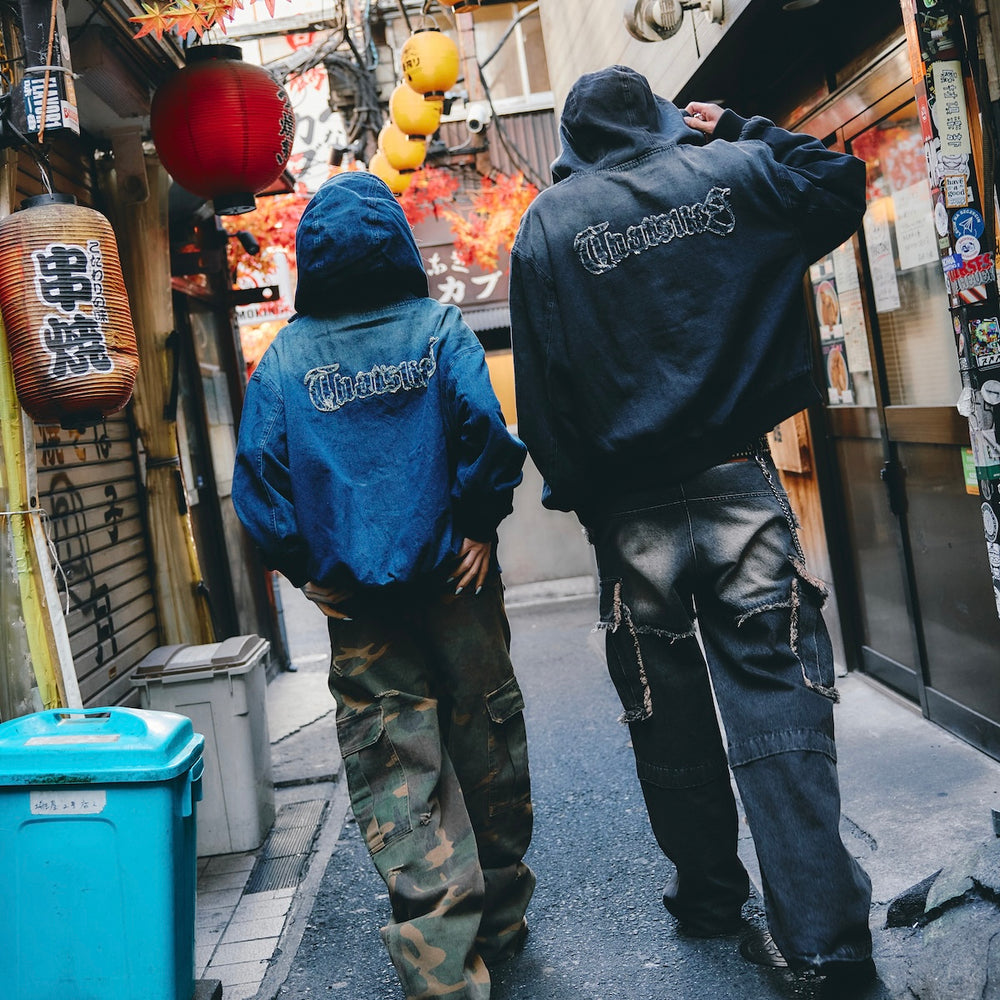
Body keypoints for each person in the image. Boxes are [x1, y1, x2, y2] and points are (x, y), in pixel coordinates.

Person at [508, 65, 876, 998]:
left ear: (574, 143)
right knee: (778, 697)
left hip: (629, 508)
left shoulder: (550, 226)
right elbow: (839, 185)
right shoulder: (736, 170)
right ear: (669, 121)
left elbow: (543, 393)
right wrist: (743, 126)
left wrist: (586, 501)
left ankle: (711, 896)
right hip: (737, 483)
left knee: (663, 710)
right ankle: (827, 941)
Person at [233, 171, 534, 1000]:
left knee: (399, 771)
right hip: (458, 583)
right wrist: (479, 522)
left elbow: (258, 484)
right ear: (398, 245)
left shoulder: (285, 360)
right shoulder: (437, 327)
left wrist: (305, 569)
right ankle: (502, 924)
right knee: (487, 743)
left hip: (360, 608)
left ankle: (443, 969)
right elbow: (484, 427)